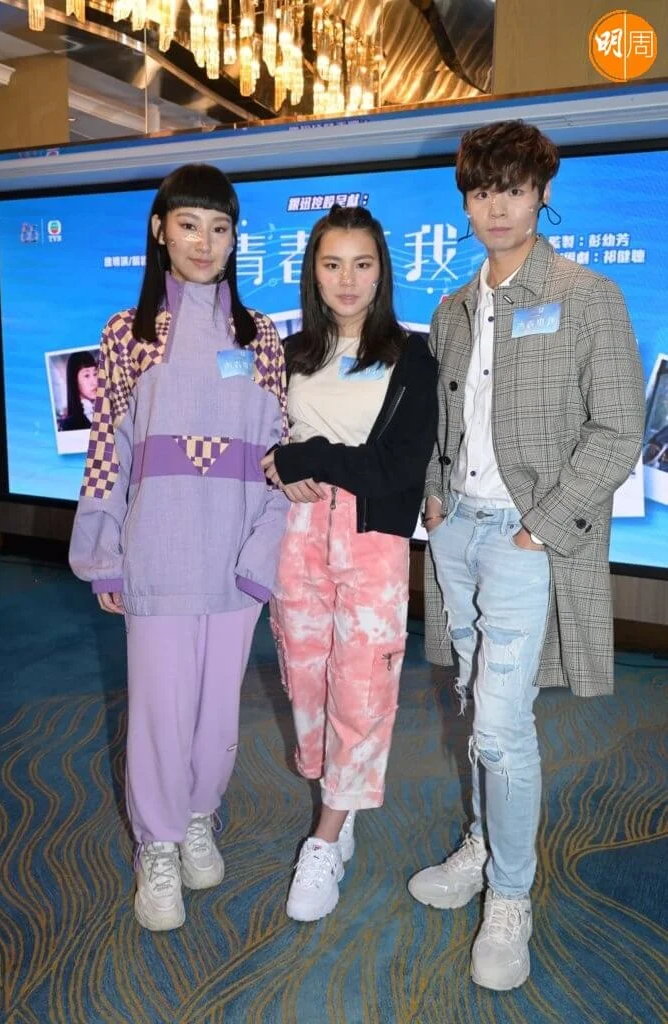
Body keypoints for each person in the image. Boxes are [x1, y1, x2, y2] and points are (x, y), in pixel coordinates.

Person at [408, 120, 645, 990]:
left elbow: (617, 428)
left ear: (541, 193)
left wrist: (539, 526)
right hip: (457, 534)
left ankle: (510, 897)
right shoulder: (451, 309)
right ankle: (482, 843)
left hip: (523, 537)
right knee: (474, 704)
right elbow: (442, 421)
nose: (496, 207)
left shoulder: (585, 296)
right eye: (481, 191)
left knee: (502, 729)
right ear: (465, 202)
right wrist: (434, 496)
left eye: (512, 189)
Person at [69, 163, 288, 931]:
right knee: (160, 708)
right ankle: (157, 844)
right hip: (157, 548)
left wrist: (265, 551)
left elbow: (280, 453)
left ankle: (199, 817)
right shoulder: (126, 334)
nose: (204, 242)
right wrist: (103, 551)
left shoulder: (261, 336)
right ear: (160, 230)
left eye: (219, 228)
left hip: (235, 551)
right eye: (189, 224)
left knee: (217, 713)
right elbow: (107, 450)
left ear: (234, 239)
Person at [262, 204, 438, 922]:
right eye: (331, 264)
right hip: (295, 534)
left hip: (371, 538)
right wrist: (277, 462)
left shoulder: (413, 357)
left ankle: (327, 835)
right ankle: (337, 793)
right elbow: (265, 443)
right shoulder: (287, 353)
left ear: (382, 272)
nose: (346, 279)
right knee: (305, 678)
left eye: (361, 264)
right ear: (312, 271)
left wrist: (307, 455)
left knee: (362, 685)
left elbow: (396, 466)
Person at [60, 350, 98, 430]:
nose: (95, 382)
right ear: (74, 380)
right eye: (86, 375)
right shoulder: (69, 425)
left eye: (95, 374)